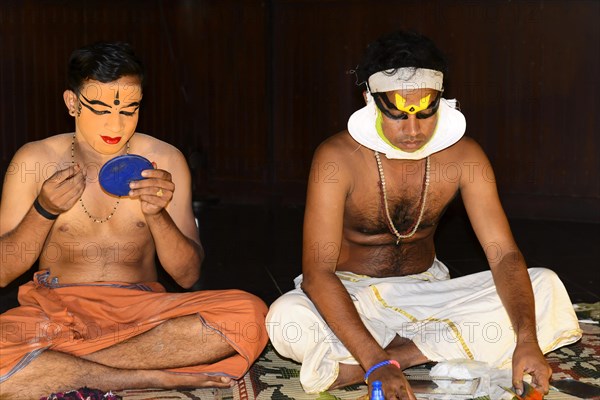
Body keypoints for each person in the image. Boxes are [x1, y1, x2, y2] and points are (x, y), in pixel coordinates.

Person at [266, 31, 581, 399]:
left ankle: (396, 356)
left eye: (426, 113)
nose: (413, 130)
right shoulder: (336, 159)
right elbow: (318, 275)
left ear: (441, 100)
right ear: (370, 99)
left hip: (428, 295)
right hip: (352, 297)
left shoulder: (466, 157)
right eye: (398, 115)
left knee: (544, 286)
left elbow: (504, 254)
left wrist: (527, 339)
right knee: (285, 318)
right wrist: (375, 361)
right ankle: (411, 352)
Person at [0, 42, 268, 399]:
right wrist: (44, 210)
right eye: (101, 110)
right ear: (72, 103)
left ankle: (65, 369)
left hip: (141, 312)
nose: (116, 124)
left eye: (129, 110)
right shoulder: (34, 159)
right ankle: (149, 375)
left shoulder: (164, 159)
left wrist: (157, 215)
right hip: (55, 311)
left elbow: (187, 276)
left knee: (249, 316)